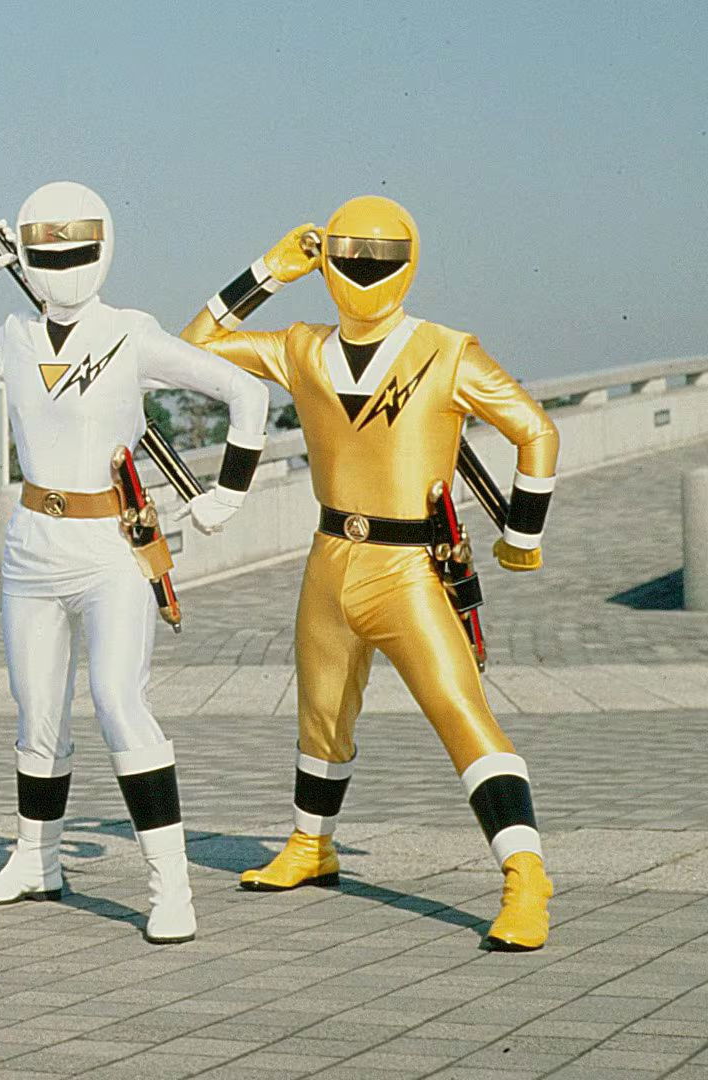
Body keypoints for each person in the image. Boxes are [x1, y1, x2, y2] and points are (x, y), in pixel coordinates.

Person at [180, 196, 559, 950]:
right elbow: (197, 346)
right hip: (329, 556)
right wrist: (268, 270)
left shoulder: (446, 350)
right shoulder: (302, 346)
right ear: (327, 262)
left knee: (459, 711)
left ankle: (526, 876)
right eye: (348, 257)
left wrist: (523, 532)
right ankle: (310, 843)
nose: (362, 272)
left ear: (409, 265)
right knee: (320, 714)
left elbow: (536, 430)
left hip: (411, 565)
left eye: (378, 260)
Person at [0, 182, 269, 943]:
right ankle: (35, 859)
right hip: (31, 544)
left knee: (118, 700)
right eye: (47, 255)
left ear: (104, 248)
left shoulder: (132, 333)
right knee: (37, 712)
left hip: (110, 546)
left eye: (77, 251)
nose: (64, 268)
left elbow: (246, 392)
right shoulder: (13, 335)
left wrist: (229, 491)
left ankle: (170, 887)